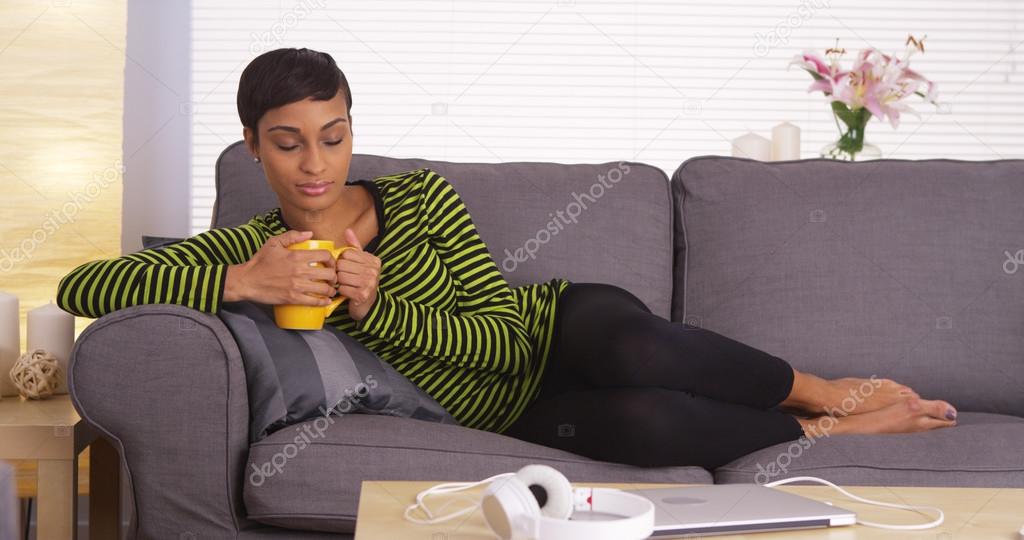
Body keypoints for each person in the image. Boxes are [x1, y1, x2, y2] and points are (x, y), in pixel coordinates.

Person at [57, 48, 958, 470]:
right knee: (645, 431)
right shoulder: (252, 250)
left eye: (332, 137)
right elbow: (84, 285)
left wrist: (383, 308)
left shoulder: (417, 199)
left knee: (635, 351)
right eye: (287, 144)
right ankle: (829, 435)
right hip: (517, 415)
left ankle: (823, 389)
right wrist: (239, 280)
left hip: (553, 331)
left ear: (351, 131)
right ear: (253, 149)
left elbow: (497, 335)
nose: (315, 165)